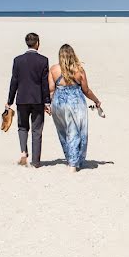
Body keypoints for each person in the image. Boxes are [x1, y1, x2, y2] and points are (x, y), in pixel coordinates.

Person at [47, 44, 102, 172]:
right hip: (75, 103)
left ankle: (71, 158)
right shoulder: (79, 70)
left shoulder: (54, 69)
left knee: (63, 132)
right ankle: (73, 163)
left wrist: (49, 104)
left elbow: (51, 90)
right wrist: (96, 101)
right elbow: (86, 90)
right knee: (76, 132)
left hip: (58, 103)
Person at [6, 32, 50, 167]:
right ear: (37, 43)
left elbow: (14, 81)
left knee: (22, 127)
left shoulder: (17, 60)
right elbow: (44, 84)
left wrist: (9, 101)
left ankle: (23, 152)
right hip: (37, 99)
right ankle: (36, 162)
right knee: (37, 130)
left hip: (22, 98)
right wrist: (47, 101)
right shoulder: (43, 60)